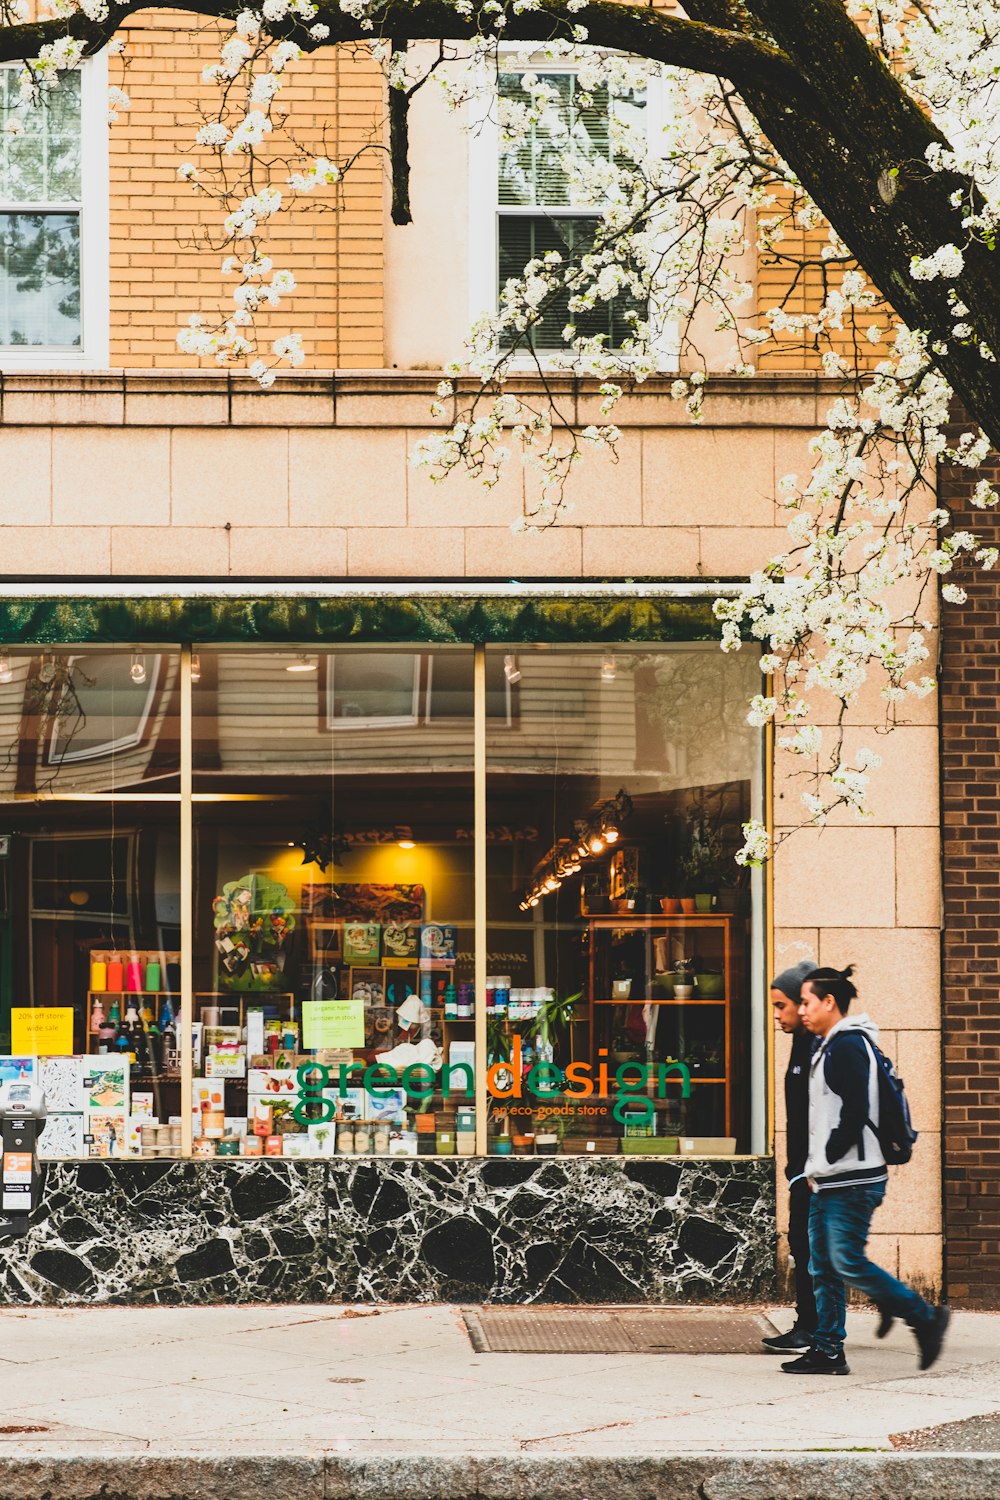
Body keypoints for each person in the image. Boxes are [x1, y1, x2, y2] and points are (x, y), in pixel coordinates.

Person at [782, 965, 950, 1376]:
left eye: (805, 1002)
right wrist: (815, 1167)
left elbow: (856, 1110)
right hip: (829, 1178)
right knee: (822, 1265)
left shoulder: (847, 1046)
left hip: (852, 1180)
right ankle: (828, 1350)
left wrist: (827, 1157)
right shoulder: (829, 1045)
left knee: (846, 1262)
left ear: (828, 1002)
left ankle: (923, 1317)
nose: (800, 1010)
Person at [761, 959, 817, 1354]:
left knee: (808, 1244)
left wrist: (812, 1169)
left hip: (817, 1172)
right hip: (804, 1169)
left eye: (781, 1006)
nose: (777, 1015)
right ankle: (817, 1326)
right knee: (809, 1246)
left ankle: (813, 1328)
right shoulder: (803, 1044)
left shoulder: (819, 1047)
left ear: (804, 1003)